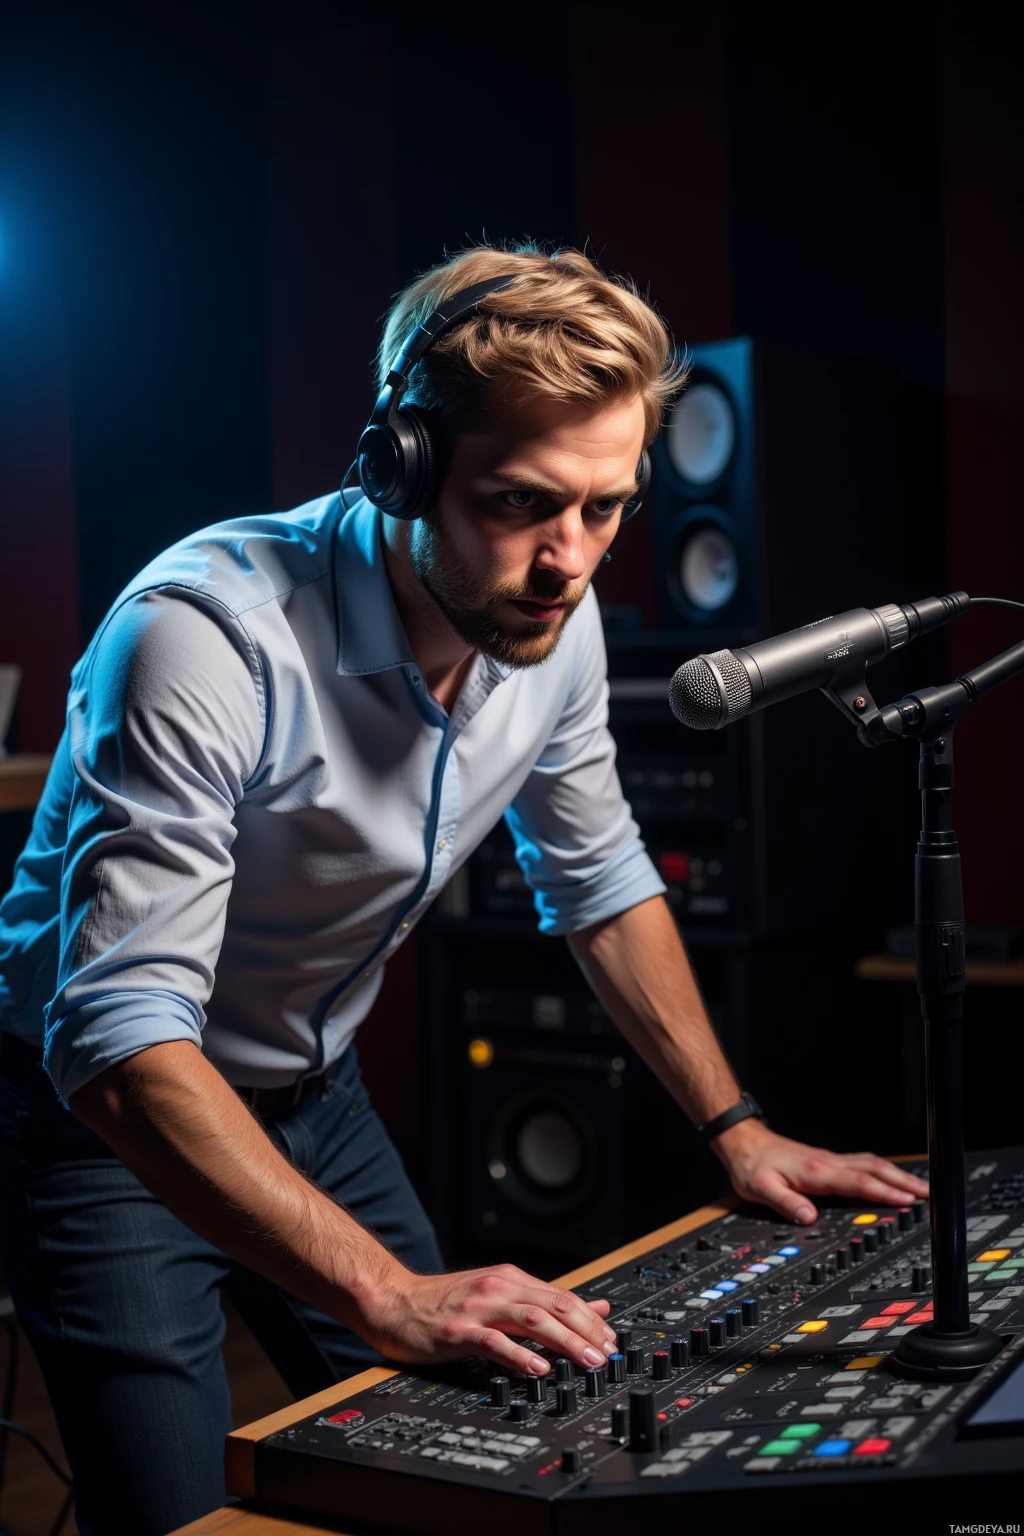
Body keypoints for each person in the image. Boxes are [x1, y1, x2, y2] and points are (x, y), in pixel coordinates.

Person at [0, 244, 928, 1535]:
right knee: (173, 1514)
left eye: (607, 509)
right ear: (400, 466)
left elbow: (601, 879)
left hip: (317, 1098)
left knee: (465, 1458)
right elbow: (113, 1047)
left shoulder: (562, 622)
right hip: (110, 1127)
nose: (569, 559)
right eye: (522, 502)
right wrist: (384, 1294)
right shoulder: (200, 639)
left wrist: (738, 1126)